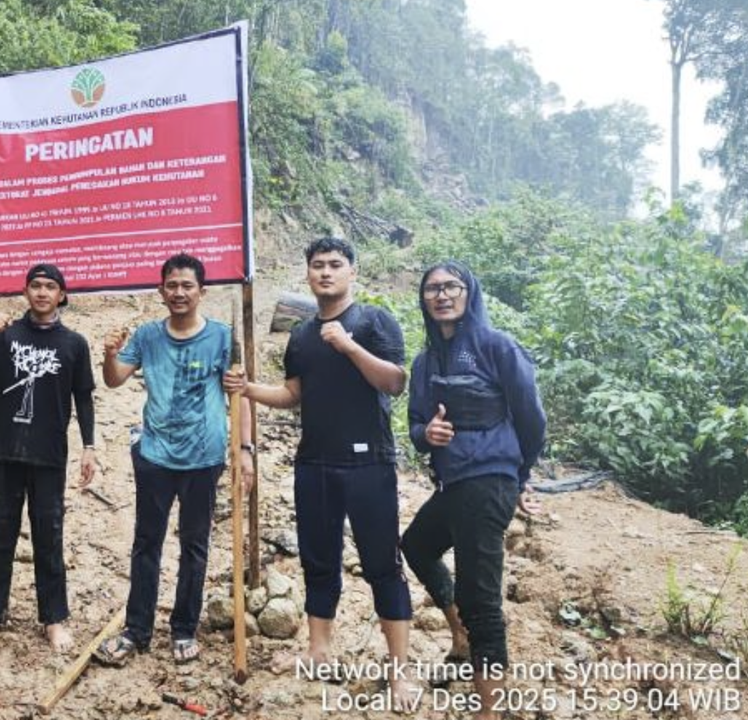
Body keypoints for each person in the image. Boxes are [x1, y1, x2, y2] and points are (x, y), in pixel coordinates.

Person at [223, 237, 418, 708]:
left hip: (370, 463)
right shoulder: (303, 334)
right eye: (317, 266)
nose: (326, 272)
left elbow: (394, 382)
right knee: (319, 560)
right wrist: (248, 388)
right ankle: (318, 650)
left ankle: (399, 671)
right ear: (307, 275)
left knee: (382, 566)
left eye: (335, 265)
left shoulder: (373, 321)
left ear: (353, 271)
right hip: (314, 463)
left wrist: (350, 346)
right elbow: (294, 394)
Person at [401, 260, 546, 720]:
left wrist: (519, 478)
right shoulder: (424, 361)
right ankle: (460, 636)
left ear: (469, 292)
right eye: (432, 290)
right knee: (417, 545)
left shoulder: (495, 346)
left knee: (480, 595)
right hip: (454, 484)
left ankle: (491, 709)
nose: (442, 295)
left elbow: (532, 418)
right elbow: (416, 425)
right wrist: (430, 435)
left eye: (451, 287)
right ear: (423, 300)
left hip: (488, 482)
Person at [95, 253, 254, 667]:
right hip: (154, 456)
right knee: (146, 542)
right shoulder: (148, 336)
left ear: (202, 291)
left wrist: (245, 450)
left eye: (187, 285)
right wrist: (110, 354)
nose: (179, 292)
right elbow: (114, 380)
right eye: (172, 285)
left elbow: (239, 396)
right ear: (161, 290)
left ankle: (184, 629)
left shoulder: (222, 337)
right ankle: (137, 630)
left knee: (194, 545)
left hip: (204, 457)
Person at [0, 264, 97, 652]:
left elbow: (83, 397)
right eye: (35, 285)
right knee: (0, 535)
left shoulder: (74, 344)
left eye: (50, 286)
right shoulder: (6, 336)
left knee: (48, 536)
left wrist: (89, 445)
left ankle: (53, 618)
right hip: (3, 451)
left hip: (49, 455)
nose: (41, 292)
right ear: (25, 292)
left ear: (62, 295)